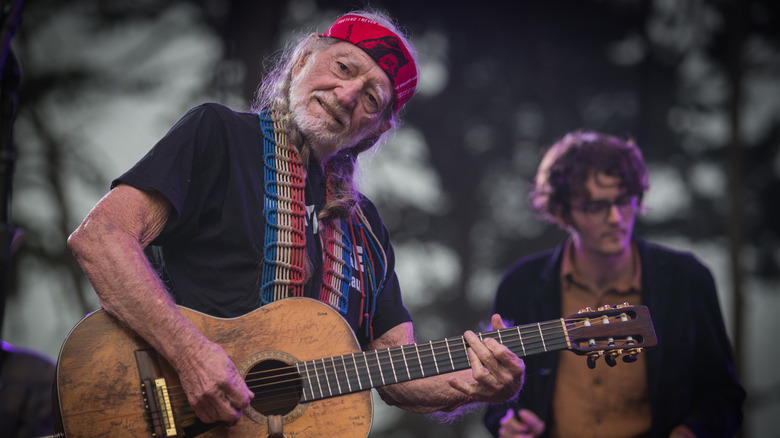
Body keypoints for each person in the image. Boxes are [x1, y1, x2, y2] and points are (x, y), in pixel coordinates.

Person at [67, 9, 525, 429]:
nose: (347, 95)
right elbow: (102, 237)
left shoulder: (366, 229)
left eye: (371, 98)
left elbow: (393, 369)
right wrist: (189, 353)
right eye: (344, 68)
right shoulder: (218, 135)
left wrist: (475, 386)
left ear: (377, 129)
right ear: (305, 55)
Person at [483, 131, 745, 438]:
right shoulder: (521, 285)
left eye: (623, 200)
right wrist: (509, 425)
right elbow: (496, 395)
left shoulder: (686, 279)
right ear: (563, 211)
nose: (616, 218)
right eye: (595, 207)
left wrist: (689, 433)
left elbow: (723, 395)